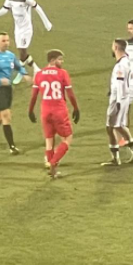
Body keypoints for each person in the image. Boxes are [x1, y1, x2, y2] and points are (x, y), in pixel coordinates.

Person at [27, 50, 81, 178]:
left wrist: (30, 110)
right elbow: (70, 94)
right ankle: (53, 162)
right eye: (60, 59)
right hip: (59, 111)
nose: (62, 62)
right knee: (67, 138)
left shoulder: (39, 74)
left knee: (49, 140)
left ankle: (53, 170)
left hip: (45, 112)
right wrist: (76, 108)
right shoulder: (62, 73)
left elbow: (34, 96)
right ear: (52, 60)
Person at [0, 0, 53, 77]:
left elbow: (38, 8)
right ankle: (36, 69)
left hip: (26, 28)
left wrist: (47, 23)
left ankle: (21, 72)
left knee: (22, 50)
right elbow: (4, 10)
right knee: (21, 51)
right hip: (18, 29)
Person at [102, 39, 133, 166]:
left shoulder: (121, 65)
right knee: (117, 126)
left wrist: (118, 101)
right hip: (122, 97)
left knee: (111, 127)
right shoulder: (126, 61)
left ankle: (117, 158)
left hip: (119, 99)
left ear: (116, 47)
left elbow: (121, 85)